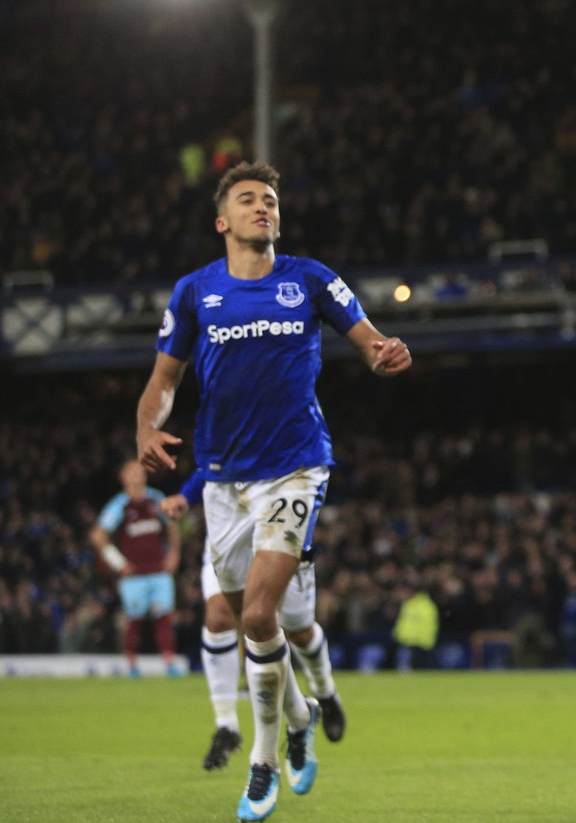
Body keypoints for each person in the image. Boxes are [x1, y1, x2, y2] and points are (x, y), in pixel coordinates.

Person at [137, 161, 411, 821]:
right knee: (247, 622)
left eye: (270, 200)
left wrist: (381, 351)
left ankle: (263, 760)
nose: (263, 207)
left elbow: (368, 336)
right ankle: (297, 717)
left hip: (295, 467)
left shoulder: (310, 279)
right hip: (223, 479)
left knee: (259, 616)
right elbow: (164, 380)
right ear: (222, 221)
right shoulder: (195, 292)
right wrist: (147, 427)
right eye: (248, 199)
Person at [161, 470, 346, 772]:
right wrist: (186, 494)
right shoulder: (228, 426)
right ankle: (228, 726)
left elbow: (314, 468)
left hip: (281, 532)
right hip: (230, 532)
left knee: (297, 632)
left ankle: (323, 691)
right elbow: (214, 459)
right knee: (222, 617)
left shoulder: (297, 426)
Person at [90, 459, 181, 677]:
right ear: (122, 477)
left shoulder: (156, 499)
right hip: (134, 574)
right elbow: (97, 535)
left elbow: (172, 526)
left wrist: (174, 554)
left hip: (158, 569)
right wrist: (118, 563)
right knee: (134, 619)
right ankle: (131, 664)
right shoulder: (119, 505)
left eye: (140, 472)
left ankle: (169, 661)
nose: (137, 476)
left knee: (164, 616)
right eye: (131, 472)